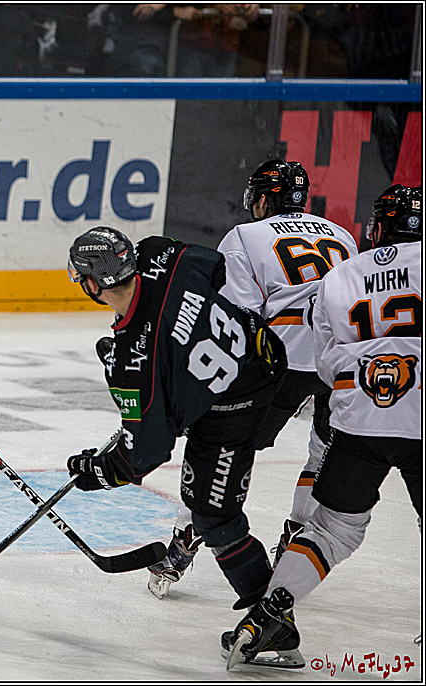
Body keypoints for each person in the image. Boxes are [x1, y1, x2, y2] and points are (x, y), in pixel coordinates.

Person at [222, 185, 422, 670]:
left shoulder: (342, 276)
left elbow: (328, 363)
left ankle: (264, 617)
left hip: (362, 420)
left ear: (375, 228)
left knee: (333, 529)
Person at [147, 160, 358, 600]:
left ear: (263, 199)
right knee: (323, 454)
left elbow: (237, 322)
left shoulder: (245, 236)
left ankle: (186, 541)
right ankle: (297, 544)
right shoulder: (342, 234)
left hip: (278, 365)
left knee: (220, 445)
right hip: (341, 362)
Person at [65, 226, 287, 616]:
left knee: (214, 515)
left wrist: (98, 471)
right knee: (202, 493)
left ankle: (273, 623)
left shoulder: (131, 367)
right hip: (265, 348)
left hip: (238, 400)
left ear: (92, 283)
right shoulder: (158, 253)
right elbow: (216, 270)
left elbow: (143, 456)